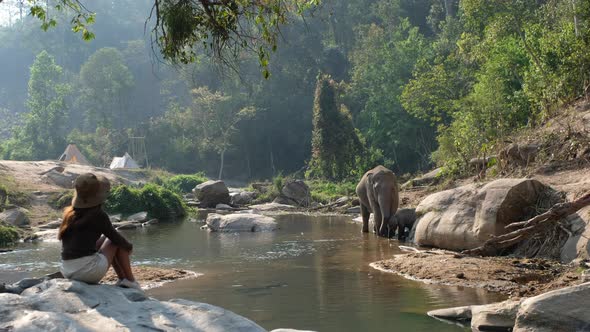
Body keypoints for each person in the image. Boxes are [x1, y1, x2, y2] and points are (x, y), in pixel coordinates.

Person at [58, 173, 141, 290]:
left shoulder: (69, 213)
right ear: (98, 195)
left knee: (105, 240)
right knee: (115, 241)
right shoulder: (98, 215)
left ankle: (123, 280)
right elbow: (116, 239)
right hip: (87, 273)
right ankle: (130, 280)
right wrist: (129, 248)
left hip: (67, 270)